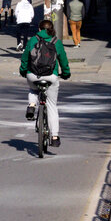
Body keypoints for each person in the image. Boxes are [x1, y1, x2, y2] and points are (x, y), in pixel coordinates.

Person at [19, 18, 70, 148]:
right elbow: (63, 60)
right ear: (52, 29)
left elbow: (25, 58)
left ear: (39, 29)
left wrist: (23, 71)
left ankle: (32, 105)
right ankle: (54, 137)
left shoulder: (33, 40)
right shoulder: (56, 42)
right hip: (51, 76)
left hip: (33, 75)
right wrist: (66, 73)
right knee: (52, 106)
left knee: (33, 89)